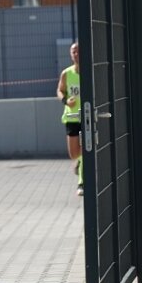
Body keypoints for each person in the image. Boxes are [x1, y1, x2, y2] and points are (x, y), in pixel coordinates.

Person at [57, 42, 83, 196]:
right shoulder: (67, 73)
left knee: (87, 147)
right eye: (73, 51)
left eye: (79, 51)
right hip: (71, 116)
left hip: (87, 116)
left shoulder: (91, 72)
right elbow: (60, 90)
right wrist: (66, 101)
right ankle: (79, 162)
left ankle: (82, 183)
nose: (76, 54)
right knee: (74, 154)